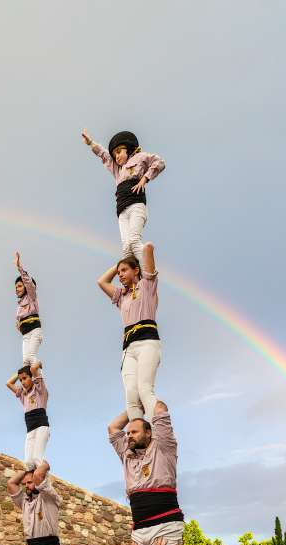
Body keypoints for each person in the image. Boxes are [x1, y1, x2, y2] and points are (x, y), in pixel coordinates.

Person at [107, 401, 182, 545]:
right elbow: (113, 428)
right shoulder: (127, 454)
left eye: (134, 432)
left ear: (149, 433)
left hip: (165, 524)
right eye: (128, 432)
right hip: (140, 529)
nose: (129, 435)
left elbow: (161, 409)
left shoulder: (163, 446)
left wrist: (145, 397)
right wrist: (133, 407)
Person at [97, 242, 161, 423]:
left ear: (136, 270)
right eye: (118, 273)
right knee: (131, 395)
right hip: (128, 348)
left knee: (144, 389)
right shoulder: (121, 296)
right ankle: (139, 438)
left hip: (148, 342)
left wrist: (135, 248)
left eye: (124, 271)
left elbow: (148, 248)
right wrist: (119, 262)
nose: (120, 275)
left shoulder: (147, 286)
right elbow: (101, 281)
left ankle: (158, 431)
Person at [81, 129, 165, 262]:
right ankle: (133, 281)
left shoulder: (140, 157)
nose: (117, 157)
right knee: (126, 248)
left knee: (134, 241)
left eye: (119, 152)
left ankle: (148, 272)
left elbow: (159, 162)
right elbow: (103, 155)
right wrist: (90, 143)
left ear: (129, 149)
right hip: (122, 211)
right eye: (115, 155)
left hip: (136, 205)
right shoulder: (117, 169)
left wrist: (144, 178)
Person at [5, 461, 62, 545]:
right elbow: (11, 483)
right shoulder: (25, 501)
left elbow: (38, 475)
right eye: (25, 484)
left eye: (29, 483)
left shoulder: (48, 496)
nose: (26, 486)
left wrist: (44, 464)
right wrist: (26, 470)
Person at [6, 361, 49, 469]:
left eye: (25, 378)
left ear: (31, 378)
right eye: (20, 380)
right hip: (30, 428)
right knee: (28, 463)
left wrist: (37, 364)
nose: (22, 382)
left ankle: (46, 484)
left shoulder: (40, 390)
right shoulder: (23, 394)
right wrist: (20, 372)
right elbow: (9, 383)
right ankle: (33, 483)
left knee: (37, 459)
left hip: (41, 426)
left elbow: (34, 369)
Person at [13, 252, 43, 366]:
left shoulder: (31, 296)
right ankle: (30, 383)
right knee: (25, 361)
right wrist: (19, 326)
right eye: (16, 287)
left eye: (19, 286)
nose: (17, 289)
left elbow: (28, 282)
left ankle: (39, 376)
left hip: (35, 331)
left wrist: (19, 267)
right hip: (26, 334)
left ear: (26, 287)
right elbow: (18, 323)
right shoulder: (19, 306)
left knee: (31, 357)